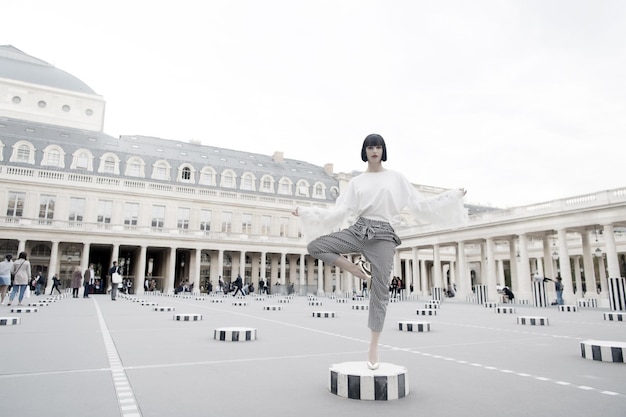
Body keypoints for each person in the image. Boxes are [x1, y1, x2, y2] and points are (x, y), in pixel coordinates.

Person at [293, 134, 467, 370]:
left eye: (378, 146)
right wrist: (305, 212)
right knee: (316, 246)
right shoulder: (356, 182)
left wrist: (452, 196)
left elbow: (421, 205)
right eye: (370, 147)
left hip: (384, 235)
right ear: (364, 151)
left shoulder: (396, 178)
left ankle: (373, 346)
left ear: (383, 151)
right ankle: (356, 269)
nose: (374, 150)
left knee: (380, 290)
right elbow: (338, 212)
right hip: (358, 229)